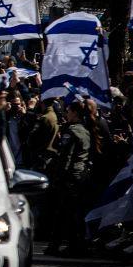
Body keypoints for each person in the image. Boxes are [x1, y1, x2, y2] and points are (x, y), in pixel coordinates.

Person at [44, 99, 94, 257]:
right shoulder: (86, 130)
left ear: (74, 113)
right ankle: (76, 245)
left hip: (70, 176)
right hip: (81, 175)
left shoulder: (71, 131)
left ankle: (62, 246)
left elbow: (67, 157)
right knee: (74, 213)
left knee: (64, 213)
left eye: (68, 111)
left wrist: (59, 177)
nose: (66, 113)